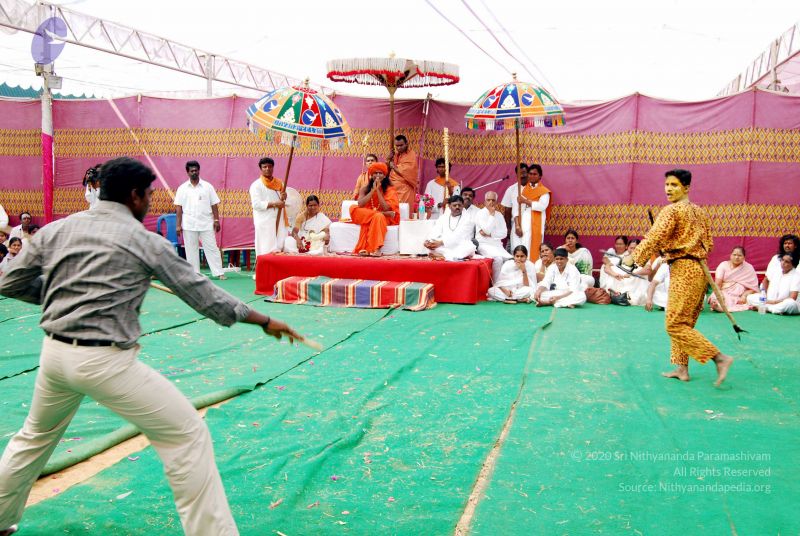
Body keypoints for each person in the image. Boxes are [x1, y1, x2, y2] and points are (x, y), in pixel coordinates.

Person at [0, 157, 300, 536]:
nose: (150, 202)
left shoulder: (58, 229)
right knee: (187, 435)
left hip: (55, 356)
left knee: (33, 438)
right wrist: (264, 320)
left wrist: (62, 296)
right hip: (103, 361)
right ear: (135, 195)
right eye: (149, 195)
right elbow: (201, 294)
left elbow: (9, 281)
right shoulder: (145, 241)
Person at [630, 169, 733, 386]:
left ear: (686, 187)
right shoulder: (700, 213)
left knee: (675, 325)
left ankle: (719, 358)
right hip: (699, 270)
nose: (668, 189)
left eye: (674, 185)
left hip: (684, 270)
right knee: (682, 323)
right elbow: (709, 244)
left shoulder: (671, 210)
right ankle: (681, 369)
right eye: (667, 184)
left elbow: (655, 237)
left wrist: (634, 258)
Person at [175, 160, 226, 280]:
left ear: (199, 171)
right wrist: (178, 225)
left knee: (212, 248)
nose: (194, 172)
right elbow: (178, 207)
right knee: (191, 249)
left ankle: (219, 272)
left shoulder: (207, 187)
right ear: (187, 172)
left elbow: (214, 204)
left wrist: (216, 220)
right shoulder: (182, 188)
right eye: (191, 171)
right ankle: (195, 274)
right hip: (189, 223)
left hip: (206, 223)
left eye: (196, 170)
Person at [350, 162, 400, 256]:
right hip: (370, 214)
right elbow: (360, 204)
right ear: (371, 175)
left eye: (380, 173)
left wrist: (378, 190)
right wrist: (372, 190)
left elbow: (386, 208)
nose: (377, 175)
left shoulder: (390, 189)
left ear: (384, 176)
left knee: (378, 217)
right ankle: (379, 214)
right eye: (375, 173)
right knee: (353, 208)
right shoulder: (365, 189)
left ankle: (376, 249)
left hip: (383, 217)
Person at [511, 163, 551, 261]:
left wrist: (525, 201)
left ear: (540, 176)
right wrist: (517, 226)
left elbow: (541, 206)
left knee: (533, 249)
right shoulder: (523, 190)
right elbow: (516, 208)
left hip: (536, 223)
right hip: (521, 224)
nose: (532, 176)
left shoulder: (544, 191)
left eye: (535, 174)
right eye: (530, 174)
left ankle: (532, 268)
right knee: (520, 247)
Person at [249, 157, 288, 256]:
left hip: (279, 219)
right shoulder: (256, 185)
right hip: (265, 221)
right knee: (265, 247)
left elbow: (283, 201)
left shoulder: (280, 183)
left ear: (273, 167)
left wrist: (285, 196)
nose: (267, 169)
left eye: (270, 166)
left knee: (280, 245)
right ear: (261, 169)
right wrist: (275, 204)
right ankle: (264, 265)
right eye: (265, 167)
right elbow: (256, 204)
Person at [425, 195, 476, 261]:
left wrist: (441, 242)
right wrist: (428, 241)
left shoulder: (468, 219)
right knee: (431, 245)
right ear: (449, 206)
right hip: (444, 244)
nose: (457, 207)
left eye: (459, 205)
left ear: (463, 206)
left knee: (469, 247)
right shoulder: (443, 217)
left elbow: (459, 236)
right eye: (454, 205)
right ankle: (447, 256)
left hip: (459, 244)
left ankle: (443, 256)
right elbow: (435, 230)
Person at [708, 246, 758, 313]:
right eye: (734, 255)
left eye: (739, 255)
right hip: (723, 291)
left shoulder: (748, 267)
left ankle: (721, 307)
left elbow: (753, 288)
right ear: (730, 255)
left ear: (744, 257)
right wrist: (720, 294)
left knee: (754, 298)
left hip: (739, 295)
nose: (736, 257)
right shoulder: (723, 265)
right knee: (716, 296)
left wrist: (744, 296)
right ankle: (718, 306)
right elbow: (717, 284)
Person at [475, 191, 511, 281]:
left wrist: (491, 234)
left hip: (497, 245)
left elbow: (504, 233)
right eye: (488, 200)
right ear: (485, 201)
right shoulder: (480, 213)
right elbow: (486, 230)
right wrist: (491, 215)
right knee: (498, 259)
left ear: (496, 202)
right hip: (483, 244)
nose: (491, 202)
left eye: (493, 200)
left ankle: (505, 283)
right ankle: (496, 284)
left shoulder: (499, 215)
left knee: (510, 260)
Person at [387, 134, 418, 206]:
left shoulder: (411, 154)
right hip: (393, 188)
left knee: (404, 210)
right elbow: (387, 170)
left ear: (406, 144)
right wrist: (388, 159)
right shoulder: (395, 155)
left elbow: (408, 171)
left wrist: (394, 167)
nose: (399, 148)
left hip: (405, 189)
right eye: (397, 146)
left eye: (401, 145)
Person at [501, 163, 528, 239]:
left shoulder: (534, 188)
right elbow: (507, 211)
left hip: (531, 224)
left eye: (524, 173)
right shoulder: (511, 189)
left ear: (528, 173)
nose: (522, 175)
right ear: (516, 175)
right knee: (516, 246)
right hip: (516, 226)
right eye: (520, 173)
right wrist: (509, 228)